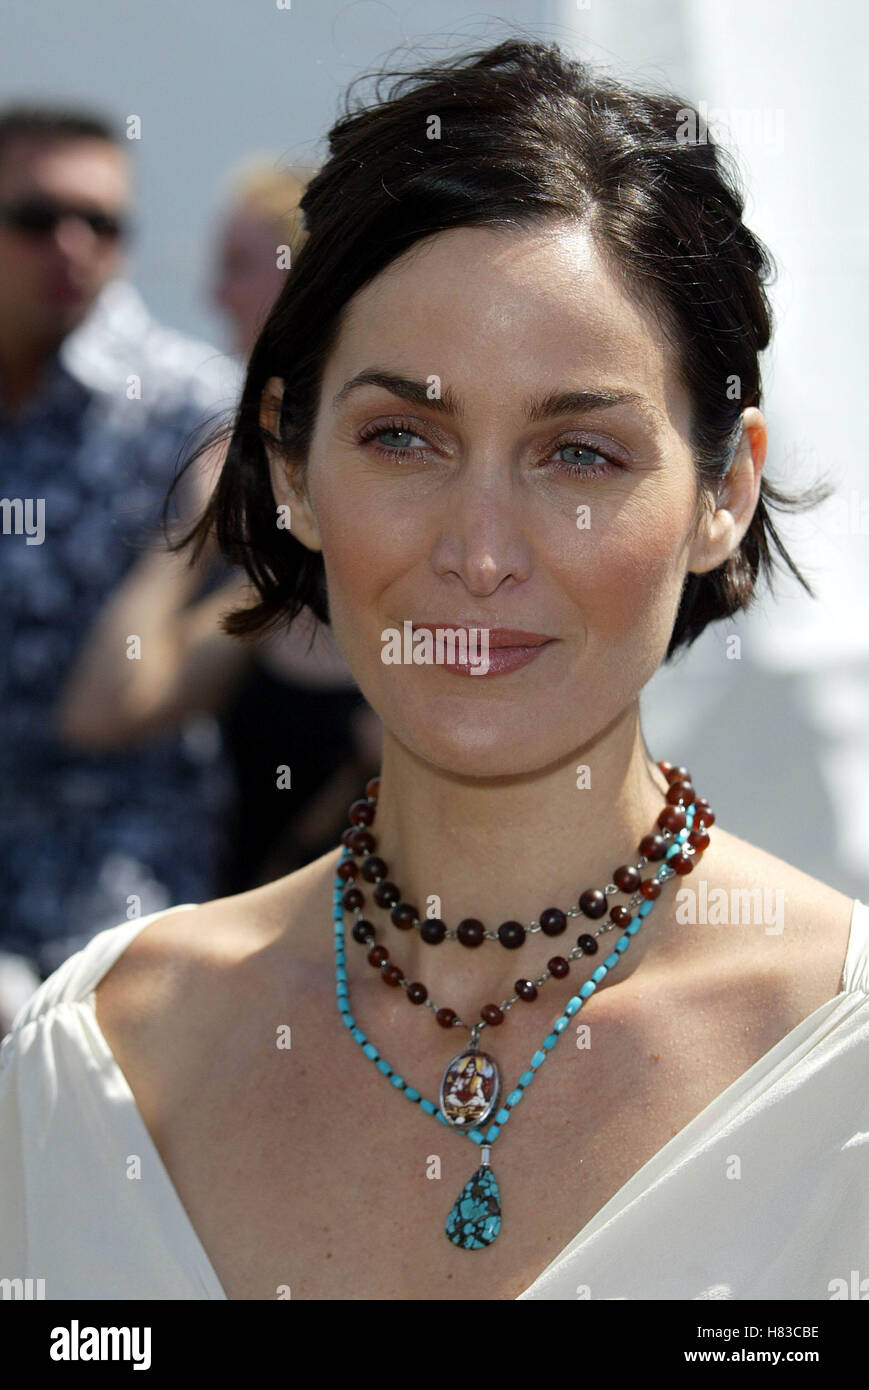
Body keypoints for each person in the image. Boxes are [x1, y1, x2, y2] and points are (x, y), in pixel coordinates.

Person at [1, 38, 866, 1300]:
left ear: (721, 492)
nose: (478, 551)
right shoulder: (100, 1062)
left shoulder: (836, 1059)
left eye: (580, 454)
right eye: (403, 436)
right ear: (289, 467)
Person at [56, 159, 382, 894]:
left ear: (303, 276)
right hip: (268, 953)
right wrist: (187, 534)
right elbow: (102, 711)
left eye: (239, 266)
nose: (214, 294)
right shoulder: (276, 556)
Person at [0, 105, 242, 996]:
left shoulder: (190, 413)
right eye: (35, 219)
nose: (71, 246)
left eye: (101, 223)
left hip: (117, 887)